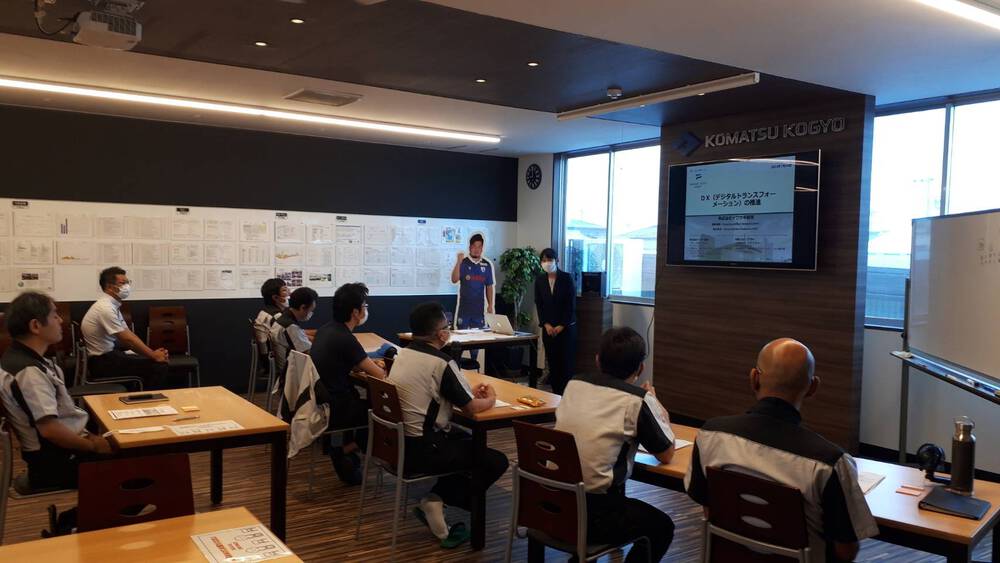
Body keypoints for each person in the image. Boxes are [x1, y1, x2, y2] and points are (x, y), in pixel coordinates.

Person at [685, 338, 879, 563]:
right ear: (813, 387)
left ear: (754, 378)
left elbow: (710, 512)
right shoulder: (830, 463)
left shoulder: (710, 435)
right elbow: (846, 551)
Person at [388, 301, 508, 548]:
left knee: (466, 440)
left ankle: (437, 499)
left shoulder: (403, 354)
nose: (448, 331)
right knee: (495, 460)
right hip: (423, 449)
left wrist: (466, 391)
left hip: (397, 443)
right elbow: (471, 408)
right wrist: (491, 399)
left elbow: (441, 391)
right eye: (447, 326)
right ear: (440, 334)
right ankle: (437, 500)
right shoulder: (441, 362)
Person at [554, 326, 675, 562]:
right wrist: (654, 403)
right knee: (662, 527)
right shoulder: (636, 400)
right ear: (640, 368)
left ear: (597, 360)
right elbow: (667, 454)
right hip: (594, 518)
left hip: (551, 503)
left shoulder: (574, 384)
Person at [0, 291, 113, 491]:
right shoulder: (29, 372)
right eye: (54, 315)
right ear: (36, 326)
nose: (60, 320)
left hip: (61, 451)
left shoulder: (19, 359)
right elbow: (50, 430)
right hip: (56, 462)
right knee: (149, 465)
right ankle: (87, 513)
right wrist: (93, 446)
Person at [310, 282, 386, 485]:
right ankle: (345, 449)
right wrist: (377, 367)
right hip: (337, 406)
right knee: (381, 414)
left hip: (322, 401)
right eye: (365, 306)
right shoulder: (345, 338)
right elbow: (380, 376)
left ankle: (347, 450)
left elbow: (346, 362)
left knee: (367, 406)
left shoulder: (326, 330)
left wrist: (362, 365)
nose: (366, 310)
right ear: (355, 312)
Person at [81, 267, 169, 390]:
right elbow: (128, 339)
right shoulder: (105, 308)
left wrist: (152, 354)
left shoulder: (111, 306)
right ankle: (145, 399)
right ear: (110, 287)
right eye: (122, 283)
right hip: (102, 363)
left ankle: (141, 396)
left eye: (128, 282)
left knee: (153, 360)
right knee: (158, 366)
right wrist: (153, 355)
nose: (127, 286)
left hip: (109, 357)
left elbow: (128, 336)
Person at [534, 247, 577, 394]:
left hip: (566, 329)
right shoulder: (540, 280)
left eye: (549, 260)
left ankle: (566, 396)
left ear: (557, 261)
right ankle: (556, 395)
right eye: (544, 260)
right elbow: (539, 304)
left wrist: (561, 325)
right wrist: (546, 324)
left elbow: (570, 305)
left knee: (566, 364)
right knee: (553, 364)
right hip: (548, 329)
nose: (547, 263)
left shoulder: (566, 278)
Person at [269, 286, 318, 377]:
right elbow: (309, 352)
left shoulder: (284, 317)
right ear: (303, 307)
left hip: (286, 367)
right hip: (290, 373)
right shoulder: (290, 327)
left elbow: (302, 336)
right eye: (311, 310)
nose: (311, 314)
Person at [449, 233, 494, 330]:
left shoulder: (487, 265)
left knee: (478, 336)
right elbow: (454, 279)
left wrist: (490, 305)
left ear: (482, 248)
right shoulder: (463, 262)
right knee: (462, 335)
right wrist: (458, 261)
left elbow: (489, 286)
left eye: (479, 246)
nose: (476, 249)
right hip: (464, 311)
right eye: (474, 246)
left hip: (478, 311)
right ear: (470, 248)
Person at [254, 277, 289, 354]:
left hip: (269, 356)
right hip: (282, 357)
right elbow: (294, 337)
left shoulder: (264, 312)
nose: (288, 293)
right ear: (275, 297)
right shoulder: (277, 317)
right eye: (284, 290)